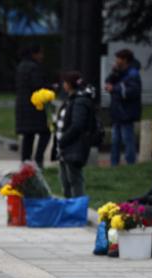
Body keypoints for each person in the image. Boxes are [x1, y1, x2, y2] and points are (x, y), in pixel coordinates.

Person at [55, 71, 98, 199]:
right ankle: (69, 210)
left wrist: (63, 140)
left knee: (74, 181)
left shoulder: (79, 101)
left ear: (69, 84)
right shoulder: (72, 99)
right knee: (65, 181)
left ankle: (77, 211)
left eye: (64, 82)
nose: (63, 84)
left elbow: (77, 125)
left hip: (73, 146)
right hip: (66, 148)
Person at [104, 49, 143, 167]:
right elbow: (108, 81)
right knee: (115, 140)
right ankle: (114, 164)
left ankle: (130, 163)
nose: (116, 61)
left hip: (126, 113)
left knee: (127, 139)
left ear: (125, 60)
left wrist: (114, 89)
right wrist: (114, 72)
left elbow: (132, 91)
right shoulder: (120, 72)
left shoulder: (133, 74)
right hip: (118, 113)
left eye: (118, 59)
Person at [14, 44, 50, 165]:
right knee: (45, 133)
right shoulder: (34, 68)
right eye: (41, 53)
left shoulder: (21, 66)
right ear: (35, 54)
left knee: (28, 135)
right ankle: (38, 160)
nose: (42, 56)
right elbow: (37, 86)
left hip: (22, 106)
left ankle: (25, 162)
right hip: (34, 106)